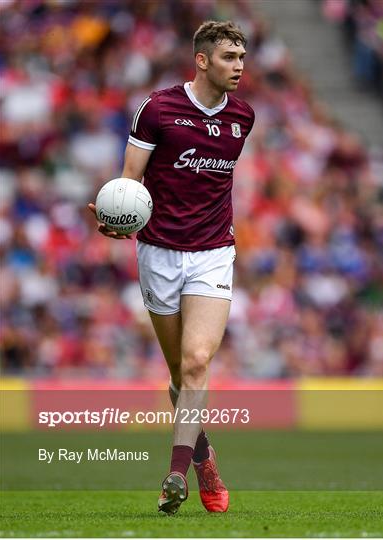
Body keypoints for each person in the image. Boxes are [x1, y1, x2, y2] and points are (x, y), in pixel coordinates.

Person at [88, 20, 254, 515]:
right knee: (180, 376)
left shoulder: (243, 117)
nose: (239, 66)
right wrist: (118, 220)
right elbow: (130, 182)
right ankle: (204, 455)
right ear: (202, 60)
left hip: (212, 253)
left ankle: (177, 473)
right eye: (228, 57)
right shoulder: (158, 109)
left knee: (198, 360)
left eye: (242, 57)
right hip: (158, 251)